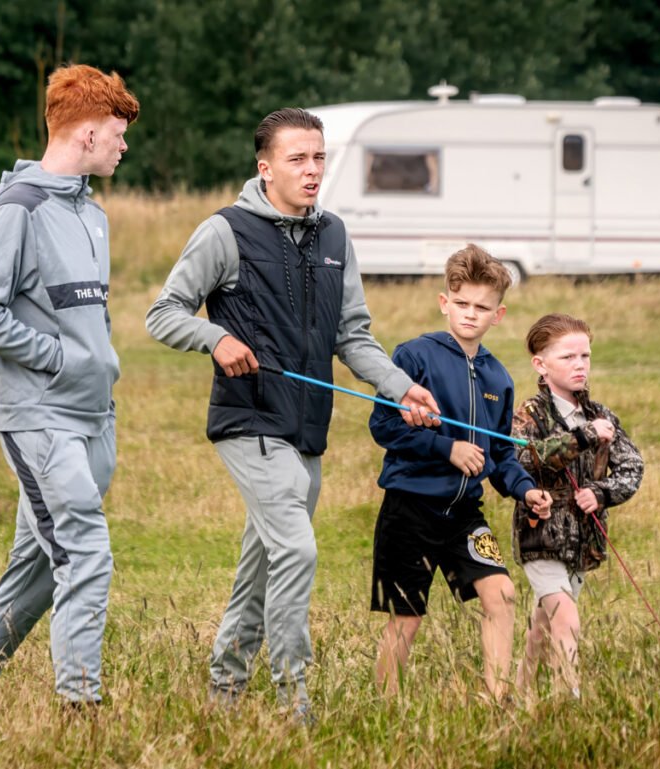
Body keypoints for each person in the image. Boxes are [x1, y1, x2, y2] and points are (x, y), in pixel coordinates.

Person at [144, 107, 440, 721]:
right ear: (265, 167)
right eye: (297, 159)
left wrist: (400, 386)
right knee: (298, 551)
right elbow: (163, 312)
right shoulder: (226, 232)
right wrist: (214, 339)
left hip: (308, 429)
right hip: (249, 421)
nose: (311, 171)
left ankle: (224, 690)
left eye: (319, 159)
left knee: (265, 559)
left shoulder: (334, 236)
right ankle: (293, 699)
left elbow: (353, 336)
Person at [0, 65, 139, 705]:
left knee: (36, 559)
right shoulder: (19, 209)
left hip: (95, 416)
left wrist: (95, 371)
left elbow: (89, 316)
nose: (123, 145)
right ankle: (79, 706)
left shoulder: (95, 216)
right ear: (85, 134)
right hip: (39, 418)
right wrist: (56, 357)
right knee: (84, 552)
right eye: (116, 133)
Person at [368, 244, 552, 701]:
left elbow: (502, 455)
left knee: (503, 595)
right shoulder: (414, 357)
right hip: (410, 508)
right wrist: (446, 448)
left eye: (482, 308)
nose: (471, 314)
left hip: (465, 514)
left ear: (499, 314)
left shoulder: (499, 379)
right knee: (407, 615)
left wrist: (525, 491)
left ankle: (497, 699)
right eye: (462, 304)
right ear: (444, 302)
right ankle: (384, 705)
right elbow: (384, 425)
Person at [510, 313, 644, 702]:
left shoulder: (601, 415)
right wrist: (583, 437)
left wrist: (601, 493)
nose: (580, 365)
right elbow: (523, 459)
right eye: (568, 357)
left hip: (583, 542)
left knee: (544, 623)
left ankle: (516, 694)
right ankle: (568, 701)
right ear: (541, 364)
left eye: (585, 356)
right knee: (565, 617)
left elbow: (632, 466)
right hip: (542, 535)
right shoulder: (530, 414)